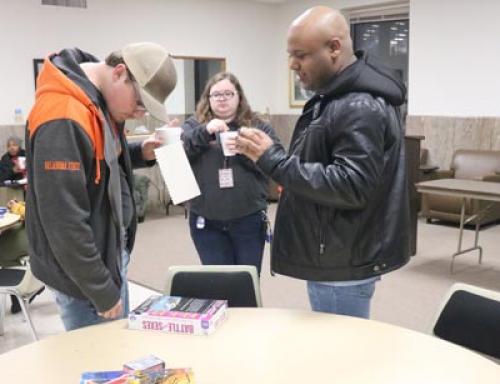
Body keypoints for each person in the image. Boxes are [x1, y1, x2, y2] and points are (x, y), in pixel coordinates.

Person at [235, 6, 410, 318]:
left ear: (334, 48)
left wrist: (274, 161)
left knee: (342, 354)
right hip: (336, 253)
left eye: (300, 55)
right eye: (290, 55)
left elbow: (352, 185)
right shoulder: (337, 96)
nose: (292, 64)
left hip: (342, 262)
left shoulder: (358, 104)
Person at [25, 43, 177, 331]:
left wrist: (138, 152)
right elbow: (63, 222)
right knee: (99, 362)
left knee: (118, 351)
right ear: (120, 73)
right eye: (140, 103)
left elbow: (96, 160)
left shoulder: (97, 99)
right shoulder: (63, 116)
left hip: (107, 254)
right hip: (84, 275)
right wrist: (101, 290)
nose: (139, 114)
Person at [181, 72, 280, 275]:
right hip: (206, 221)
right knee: (217, 283)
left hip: (248, 219)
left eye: (228, 93)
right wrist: (204, 132)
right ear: (208, 99)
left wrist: (246, 151)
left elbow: (277, 162)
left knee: (247, 281)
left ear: (239, 97)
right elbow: (178, 154)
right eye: (216, 94)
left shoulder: (258, 126)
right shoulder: (194, 125)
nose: (222, 98)